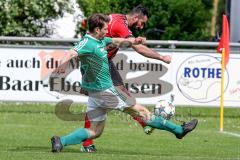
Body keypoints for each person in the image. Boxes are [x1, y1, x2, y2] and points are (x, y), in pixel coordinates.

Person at [51, 13, 198, 153]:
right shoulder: (87, 43)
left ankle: (60, 141)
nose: (106, 31)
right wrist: (61, 67)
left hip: (95, 95)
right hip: (106, 91)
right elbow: (71, 53)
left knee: (95, 131)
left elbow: (118, 41)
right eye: (104, 29)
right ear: (97, 29)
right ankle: (179, 130)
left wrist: (135, 41)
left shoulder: (101, 40)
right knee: (142, 112)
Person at [82, 4, 171, 152]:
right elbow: (139, 47)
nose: (141, 26)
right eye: (142, 22)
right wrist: (161, 57)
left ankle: (144, 122)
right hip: (96, 65)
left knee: (120, 96)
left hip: (104, 63)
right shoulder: (121, 26)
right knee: (100, 103)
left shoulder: (118, 17)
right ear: (135, 17)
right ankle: (86, 142)